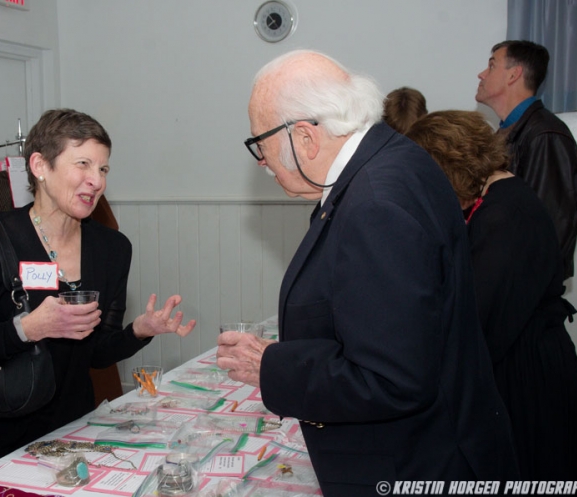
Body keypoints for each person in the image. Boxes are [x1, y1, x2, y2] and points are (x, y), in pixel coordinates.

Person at [217, 50, 518, 496]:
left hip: (417, 463)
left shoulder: (376, 201)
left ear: (304, 138)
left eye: (260, 145)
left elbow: (390, 378)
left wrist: (272, 366)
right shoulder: (391, 161)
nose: (262, 163)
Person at [0, 108, 196, 478]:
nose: (96, 180)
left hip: (69, 430)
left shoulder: (112, 248)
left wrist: (139, 330)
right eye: (83, 164)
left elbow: (97, 351)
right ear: (40, 166)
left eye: (103, 169)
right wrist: (28, 328)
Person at [406, 110, 577, 482]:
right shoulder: (500, 198)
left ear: (447, 165)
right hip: (522, 358)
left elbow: (478, 319)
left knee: (528, 471)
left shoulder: (504, 214)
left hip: (527, 374)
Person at [476, 40, 577, 280]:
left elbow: (548, 228)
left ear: (514, 75)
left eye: (492, 66)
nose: (481, 74)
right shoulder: (509, 131)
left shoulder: (546, 136)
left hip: (524, 287)